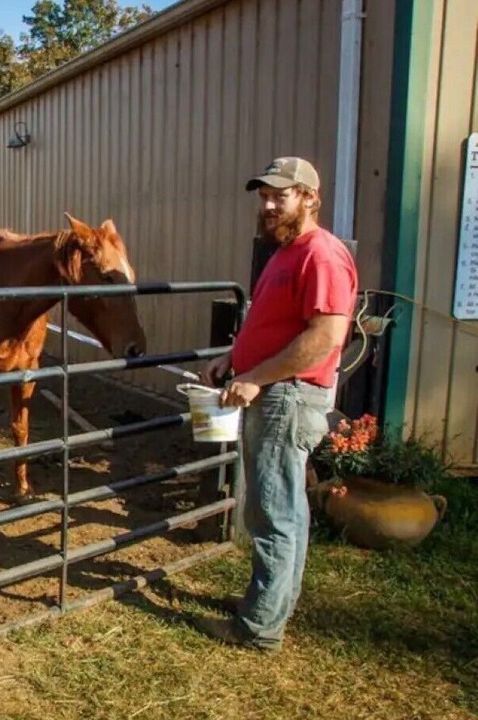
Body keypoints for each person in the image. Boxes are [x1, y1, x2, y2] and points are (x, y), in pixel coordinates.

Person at [195, 156, 358, 651]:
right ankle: (266, 604)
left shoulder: (321, 255)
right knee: (283, 508)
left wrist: (257, 378)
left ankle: (259, 627)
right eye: (263, 195)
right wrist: (234, 358)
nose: (267, 204)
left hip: (286, 396)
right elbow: (281, 326)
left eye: (279, 195)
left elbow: (326, 337)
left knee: (272, 512)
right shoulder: (286, 252)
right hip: (273, 389)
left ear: (310, 197)